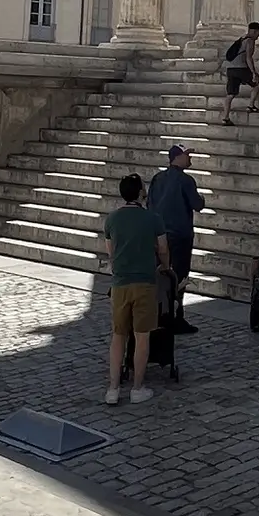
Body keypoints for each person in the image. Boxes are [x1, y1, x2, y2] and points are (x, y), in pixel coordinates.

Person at [103, 173, 169, 405]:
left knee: (118, 335)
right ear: (141, 192)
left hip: (120, 283)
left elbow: (110, 251)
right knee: (142, 337)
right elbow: (162, 247)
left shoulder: (112, 219)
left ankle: (113, 388)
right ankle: (137, 387)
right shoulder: (153, 218)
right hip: (144, 282)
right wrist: (165, 266)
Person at [147, 145, 205, 335]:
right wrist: (201, 198)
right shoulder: (186, 181)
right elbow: (197, 205)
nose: (190, 159)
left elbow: (150, 204)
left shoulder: (157, 179)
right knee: (179, 277)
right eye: (187, 155)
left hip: (160, 235)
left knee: (160, 275)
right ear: (177, 157)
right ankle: (176, 317)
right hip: (180, 235)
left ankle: (158, 315)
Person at [219, 22, 259, 127]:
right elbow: (248, 57)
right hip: (241, 68)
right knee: (258, 83)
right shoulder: (250, 41)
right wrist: (254, 72)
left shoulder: (241, 39)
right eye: (258, 32)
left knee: (230, 94)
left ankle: (225, 118)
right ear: (254, 31)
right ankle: (251, 105)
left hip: (230, 69)